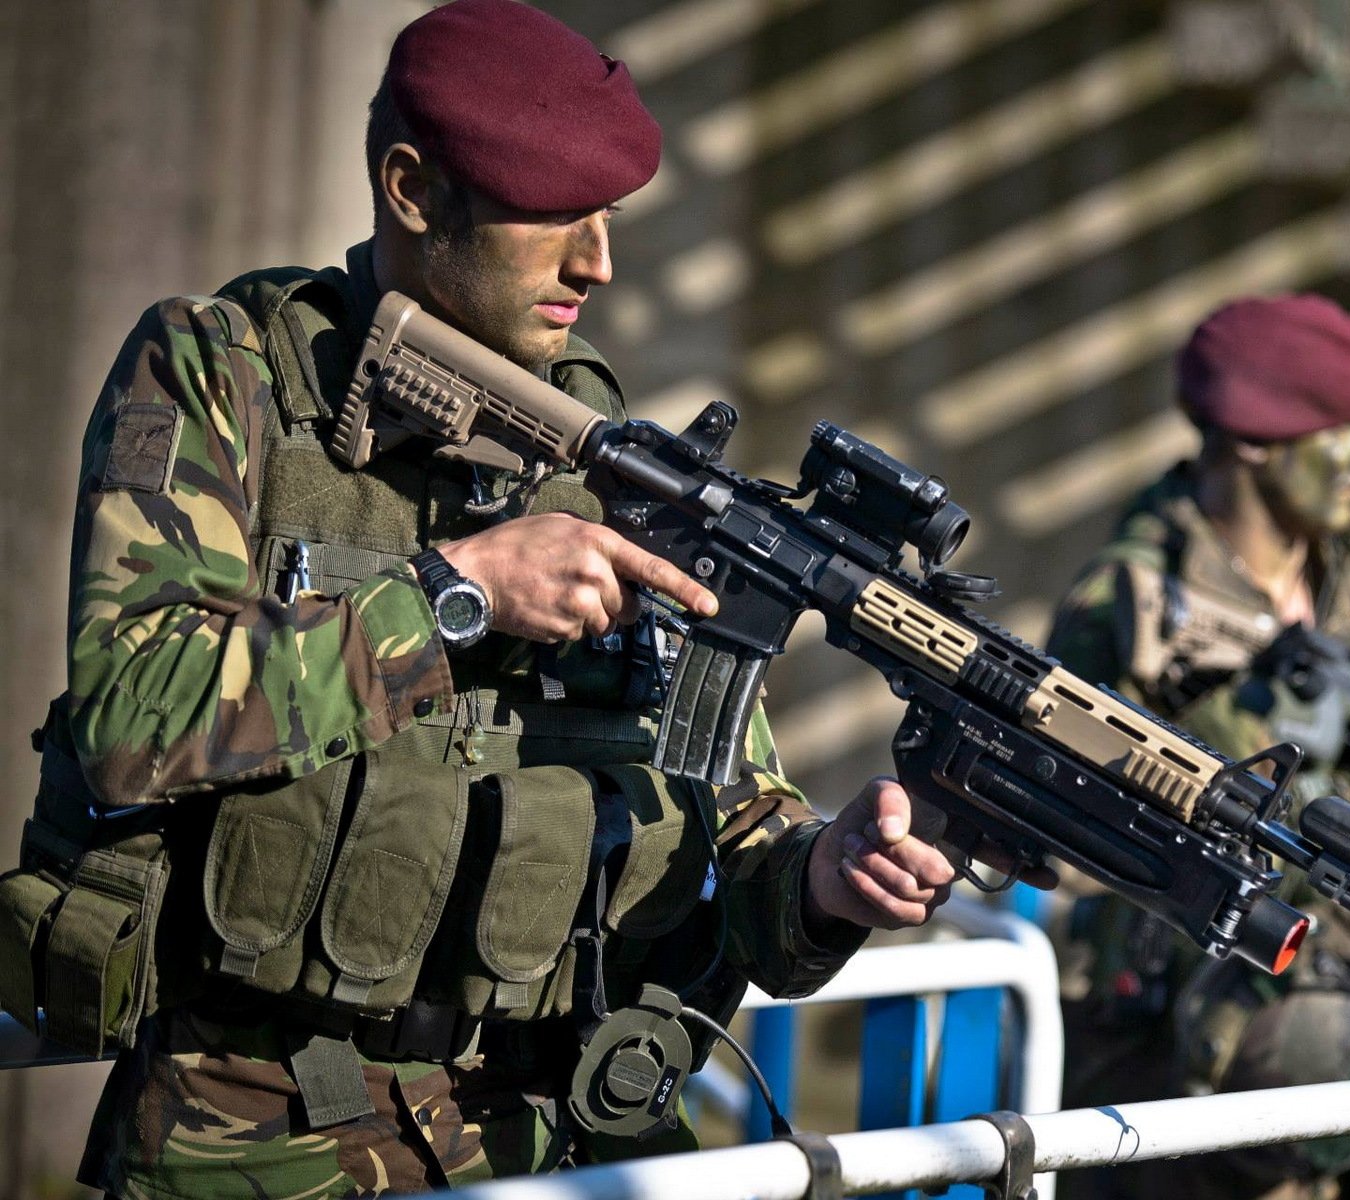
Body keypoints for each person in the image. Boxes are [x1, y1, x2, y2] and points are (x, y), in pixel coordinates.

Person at [0, 3, 976, 1195]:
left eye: (609, 218)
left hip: (558, 1130)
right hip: (256, 1135)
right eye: (557, 214)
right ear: (412, 188)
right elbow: (129, 716)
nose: (598, 263)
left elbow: (735, 835)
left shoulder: (626, 475)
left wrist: (830, 880)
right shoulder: (228, 374)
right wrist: (455, 595)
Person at [1047, 294, 1350, 1200]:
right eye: (1348, 430)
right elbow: (1088, 845)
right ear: (1255, 439)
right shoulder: (1129, 613)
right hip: (1182, 1004)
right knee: (1328, 1057)